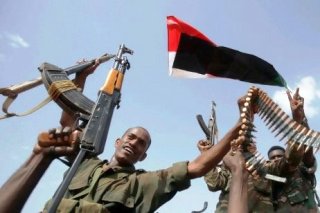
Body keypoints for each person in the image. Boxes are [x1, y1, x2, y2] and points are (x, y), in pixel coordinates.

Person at [198, 96, 274, 213]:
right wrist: (206, 155)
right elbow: (214, 184)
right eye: (238, 143)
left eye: (246, 143)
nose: (240, 145)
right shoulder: (230, 165)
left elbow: (281, 180)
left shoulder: (265, 166)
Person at [264, 88, 318, 212]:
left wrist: (301, 118)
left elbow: (307, 152)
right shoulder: (269, 174)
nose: (276, 159)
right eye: (273, 158)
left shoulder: (301, 167)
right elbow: (281, 175)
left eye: (279, 156)